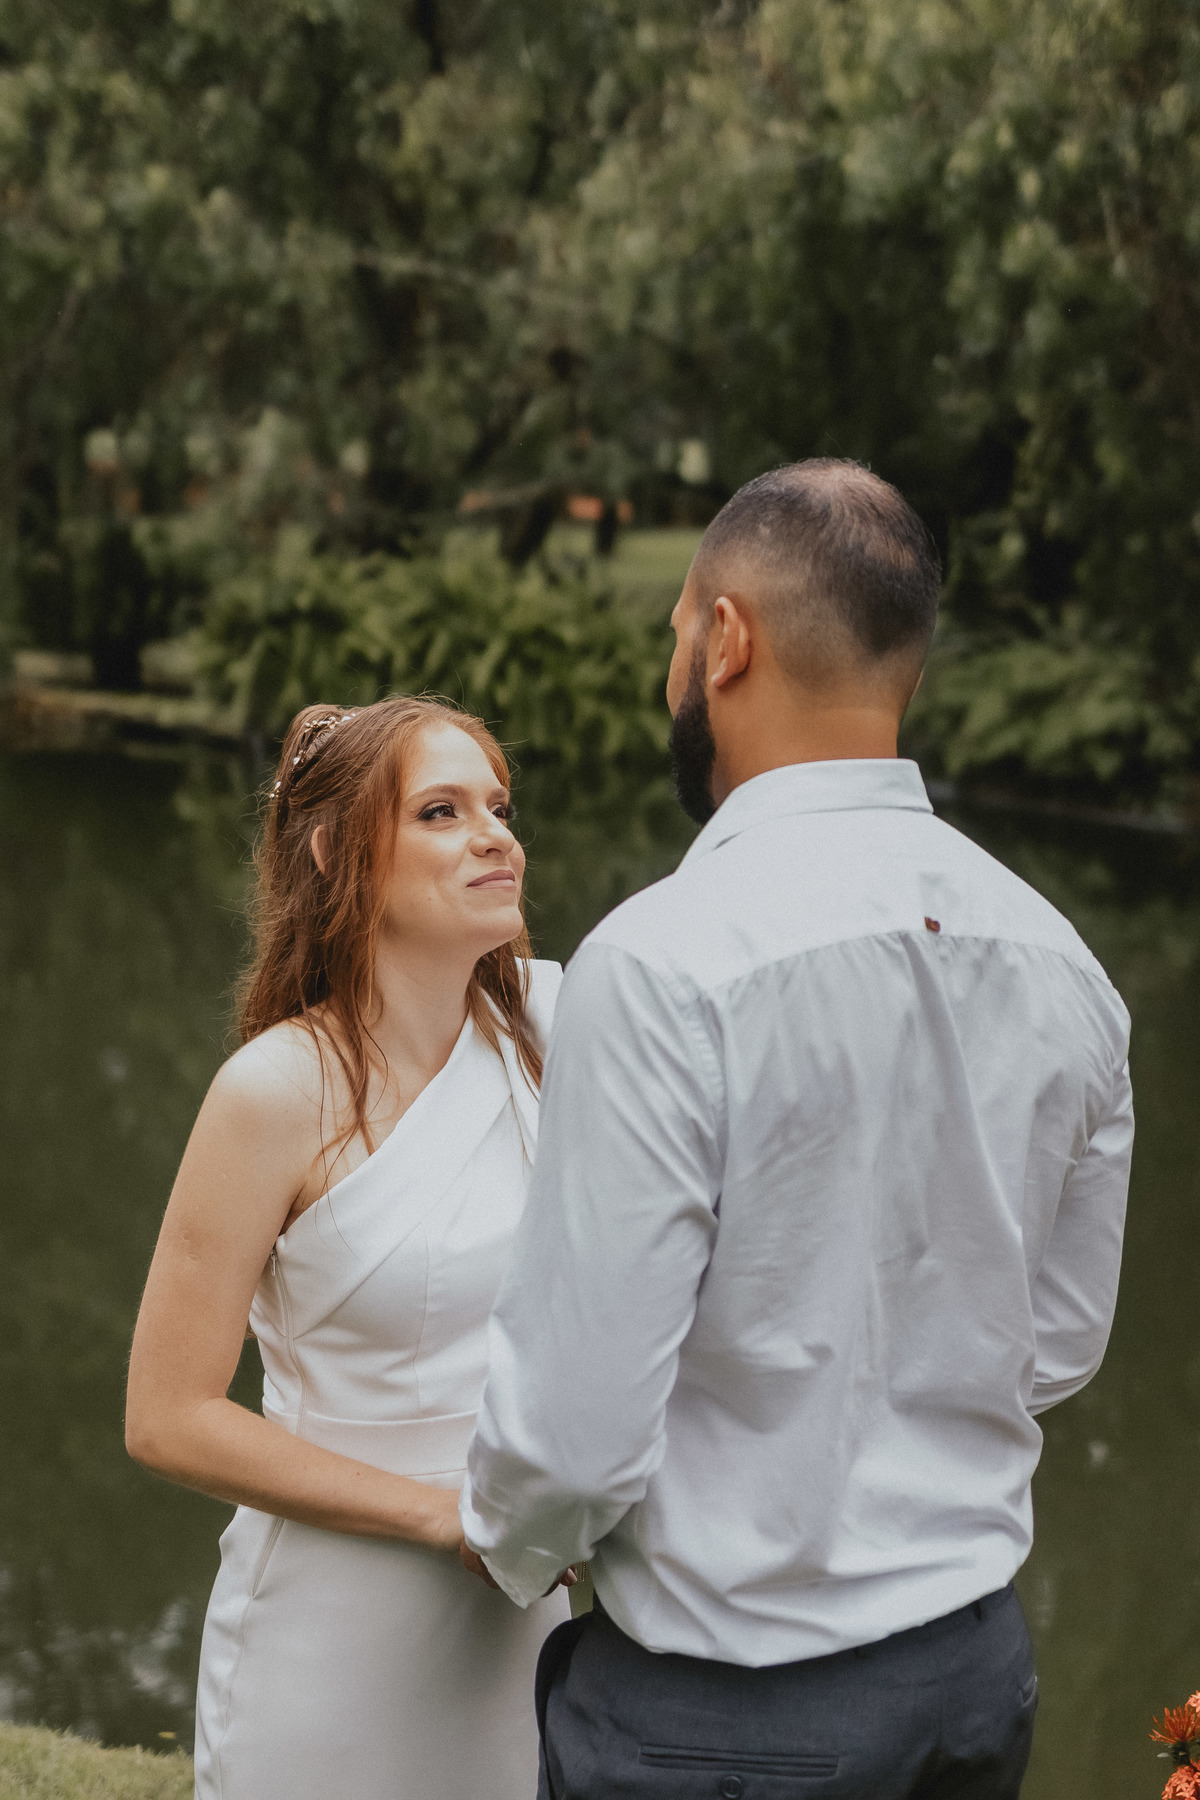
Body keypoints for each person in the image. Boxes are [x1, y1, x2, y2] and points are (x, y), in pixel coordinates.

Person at [460, 459, 1134, 1799]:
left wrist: (509, 1537)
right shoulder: (1065, 963)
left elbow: (571, 1436)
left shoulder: (660, 962)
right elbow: (1058, 1339)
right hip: (971, 1680)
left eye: (675, 635)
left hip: (721, 1722)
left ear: (726, 640)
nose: (672, 672)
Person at [125, 696, 570, 1800]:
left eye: (499, 808)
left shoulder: (555, 1032)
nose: (494, 836)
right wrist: (441, 1516)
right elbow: (168, 1415)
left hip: (524, 1620)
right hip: (331, 1635)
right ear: (337, 855)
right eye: (441, 811)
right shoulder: (274, 1092)